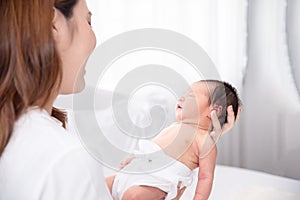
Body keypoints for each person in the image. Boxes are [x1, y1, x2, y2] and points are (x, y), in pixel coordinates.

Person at [0, 0, 113, 199]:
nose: (94, 38)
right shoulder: (66, 158)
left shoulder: (15, 135)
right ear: (54, 25)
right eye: (88, 22)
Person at [106, 80, 241, 200]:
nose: (181, 98)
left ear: (215, 110)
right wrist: (135, 160)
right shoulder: (175, 126)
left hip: (156, 182)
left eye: (191, 95)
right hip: (133, 172)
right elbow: (153, 149)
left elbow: (205, 177)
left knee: (134, 196)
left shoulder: (204, 140)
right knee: (103, 185)